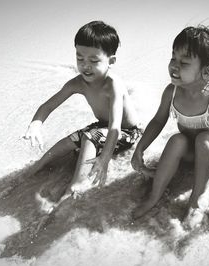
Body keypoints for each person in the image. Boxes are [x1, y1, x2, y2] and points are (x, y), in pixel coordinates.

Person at [23, 21, 141, 213]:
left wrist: (104, 158)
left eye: (94, 61)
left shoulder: (113, 85)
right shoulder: (77, 83)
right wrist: (36, 124)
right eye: (80, 58)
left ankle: (74, 187)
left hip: (127, 132)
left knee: (89, 137)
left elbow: (114, 128)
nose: (85, 66)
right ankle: (39, 166)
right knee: (70, 140)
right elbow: (48, 105)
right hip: (101, 126)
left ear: (111, 61)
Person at [131, 25, 209, 228]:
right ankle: (154, 196)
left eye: (184, 62)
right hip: (189, 153)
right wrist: (140, 148)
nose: (174, 66)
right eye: (173, 58)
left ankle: (196, 201)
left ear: (206, 71)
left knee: (205, 139)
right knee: (176, 139)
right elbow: (158, 120)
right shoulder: (171, 91)